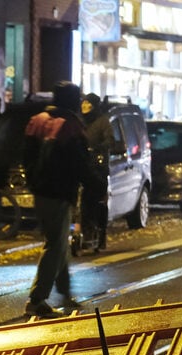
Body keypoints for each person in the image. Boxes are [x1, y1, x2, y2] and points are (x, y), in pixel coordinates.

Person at [21, 81, 100, 318]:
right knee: (55, 244)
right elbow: (79, 164)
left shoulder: (37, 120)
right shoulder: (71, 126)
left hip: (40, 191)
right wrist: (97, 185)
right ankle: (37, 298)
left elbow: (26, 155)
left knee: (58, 240)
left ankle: (64, 291)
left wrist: (33, 182)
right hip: (60, 191)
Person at [81, 93, 114, 252]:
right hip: (82, 165)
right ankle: (84, 229)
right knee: (82, 201)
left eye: (88, 104)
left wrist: (99, 148)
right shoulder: (80, 121)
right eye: (83, 103)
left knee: (99, 201)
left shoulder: (103, 122)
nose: (85, 107)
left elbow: (109, 140)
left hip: (98, 167)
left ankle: (101, 233)